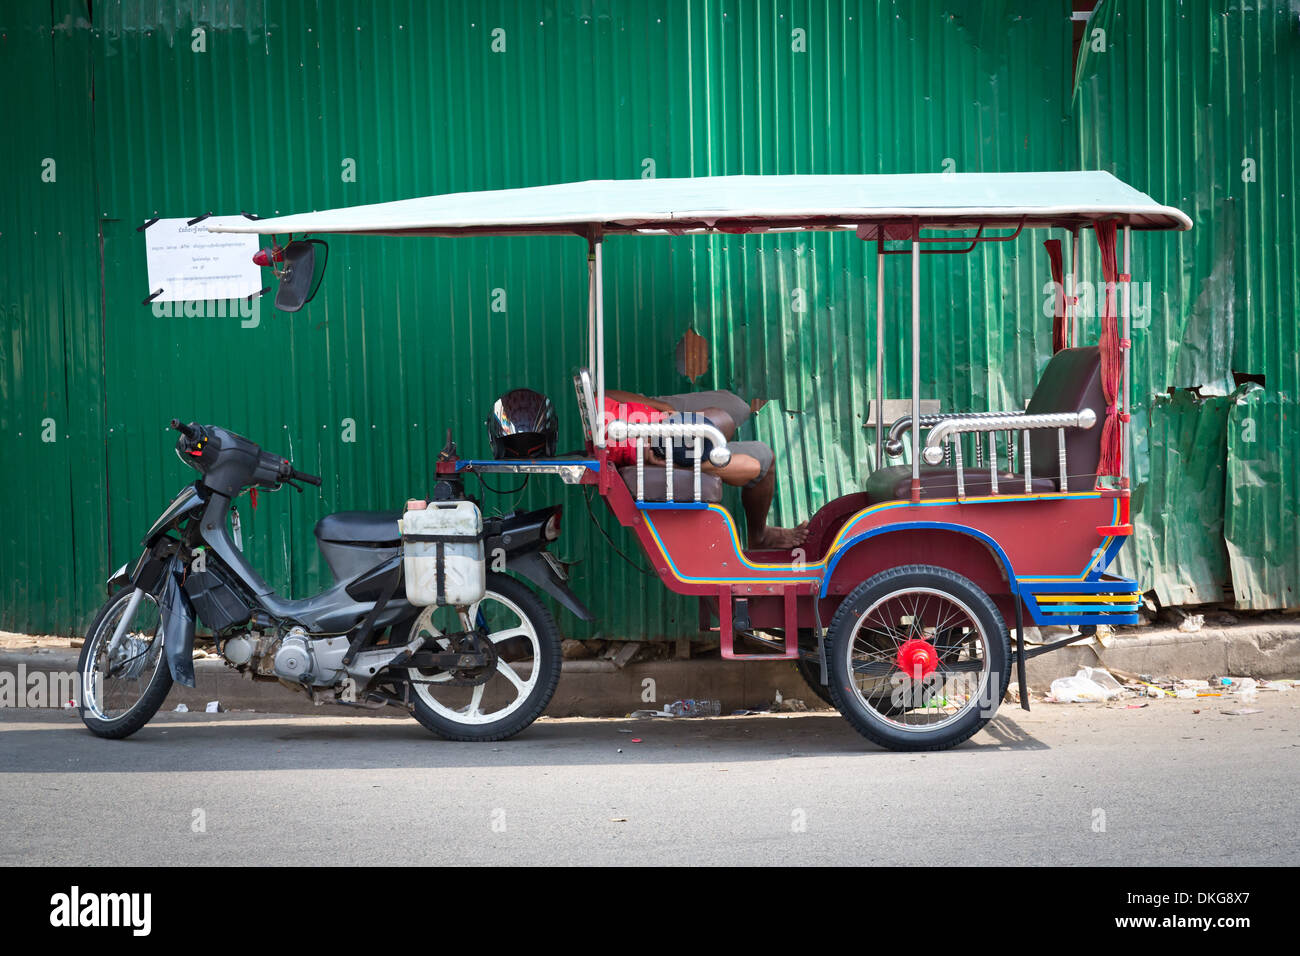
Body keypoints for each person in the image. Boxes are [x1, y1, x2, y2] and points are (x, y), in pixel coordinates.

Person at [603, 388, 808, 550]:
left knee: (736, 406)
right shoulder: (661, 452)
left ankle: (701, 426)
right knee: (764, 457)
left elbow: (604, 394)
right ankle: (759, 537)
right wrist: (679, 463)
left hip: (652, 419)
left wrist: (658, 405)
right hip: (668, 444)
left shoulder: (600, 404)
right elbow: (752, 466)